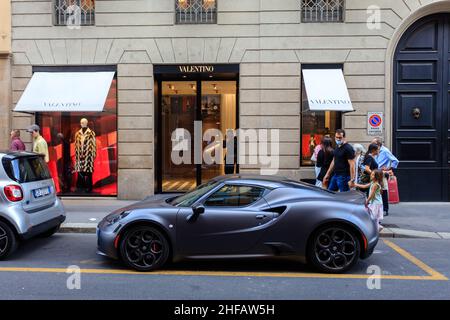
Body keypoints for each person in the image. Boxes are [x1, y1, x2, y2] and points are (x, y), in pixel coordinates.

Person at [372, 137, 399, 216]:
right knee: (376, 191)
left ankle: (385, 209)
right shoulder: (375, 151)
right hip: (376, 173)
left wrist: (389, 168)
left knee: (383, 191)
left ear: (378, 145)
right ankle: (378, 209)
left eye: (373, 143)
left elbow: (395, 161)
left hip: (382, 174)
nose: (371, 144)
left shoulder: (385, 151)